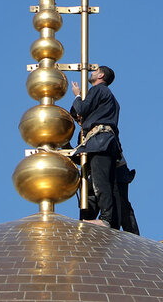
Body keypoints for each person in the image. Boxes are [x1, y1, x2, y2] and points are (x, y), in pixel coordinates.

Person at [69, 65, 122, 229]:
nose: (92, 72)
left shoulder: (98, 90)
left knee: (99, 182)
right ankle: (91, 219)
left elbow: (82, 108)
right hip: (104, 143)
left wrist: (78, 96)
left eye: (95, 70)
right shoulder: (110, 98)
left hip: (99, 143)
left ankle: (105, 219)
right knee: (94, 184)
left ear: (101, 75)